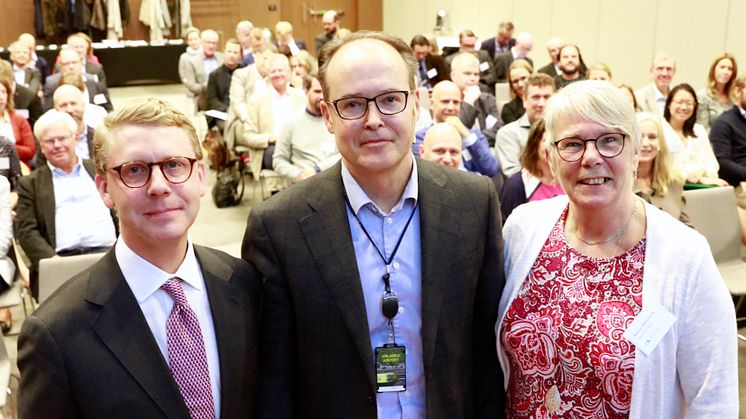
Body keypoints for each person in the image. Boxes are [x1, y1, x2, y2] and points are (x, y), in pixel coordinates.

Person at [243, 30, 504, 418]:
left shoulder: (473, 203)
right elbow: (274, 381)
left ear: (417, 104)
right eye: (351, 104)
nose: (373, 120)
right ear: (328, 116)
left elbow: (486, 354)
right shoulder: (279, 226)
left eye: (389, 100)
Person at [497, 80, 737, 417]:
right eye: (572, 144)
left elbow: (713, 400)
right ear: (550, 157)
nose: (591, 157)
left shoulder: (685, 257)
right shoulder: (522, 229)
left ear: (636, 149)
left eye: (610, 140)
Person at [18, 98, 262, 417]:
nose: (159, 186)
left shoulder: (243, 283)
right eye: (135, 170)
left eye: (174, 165)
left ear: (200, 176)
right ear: (104, 188)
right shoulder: (56, 331)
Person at [16, 110, 116, 299]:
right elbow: (27, 231)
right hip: (61, 262)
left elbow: (120, 211)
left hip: (109, 256)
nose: (57, 145)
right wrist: (54, 263)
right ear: (42, 147)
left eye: (62, 138)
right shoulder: (31, 184)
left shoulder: (99, 170)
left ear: (75, 138)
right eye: (50, 141)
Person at [413, 80, 499, 176]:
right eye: (445, 102)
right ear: (432, 104)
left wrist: (465, 134)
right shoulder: (420, 138)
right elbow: (426, 174)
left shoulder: (474, 136)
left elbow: (491, 168)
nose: (451, 107)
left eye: (456, 102)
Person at [273, 75, 339, 183]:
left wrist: (316, 169)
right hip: (303, 185)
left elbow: (344, 155)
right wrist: (300, 174)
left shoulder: (337, 121)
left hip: (333, 181)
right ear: (305, 91)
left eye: (325, 92)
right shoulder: (291, 123)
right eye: (317, 92)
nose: (322, 96)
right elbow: (278, 161)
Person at [662, 83, 726, 186]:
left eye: (689, 103)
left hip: (701, 187)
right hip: (670, 188)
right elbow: (664, 168)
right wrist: (698, 178)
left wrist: (701, 171)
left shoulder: (699, 130)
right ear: (669, 104)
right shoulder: (660, 130)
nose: (684, 107)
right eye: (679, 102)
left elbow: (713, 164)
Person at [500, 120, 563, 220]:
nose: (553, 147)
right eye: (546, 141)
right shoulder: (517, 185)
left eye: (557, 141)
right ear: (534, 144)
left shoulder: (569, 179)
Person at [497, 73, 555, 176]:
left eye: (547, 97)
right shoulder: (508, 134)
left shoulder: (565, 131)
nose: (541, 104)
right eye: (536, 97)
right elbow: (513, 174)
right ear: (524, 100)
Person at [634, 112, 688, 222]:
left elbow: (686, 227)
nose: (645, 143)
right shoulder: (618, 184)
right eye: (639, 136)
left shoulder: (674, 181)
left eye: (652, 137)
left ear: (660, 143)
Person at [450, 52, 502, 143]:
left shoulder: (488, 100)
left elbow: (498, 130)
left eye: (476, 74)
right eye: (467, 73)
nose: (473, 78)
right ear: (453, 76)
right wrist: (468, 102)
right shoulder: (447, 102)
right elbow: (454, 134)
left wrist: (472, 139)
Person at [43, 48, 113, 112]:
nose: (71, 67)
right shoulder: (52, 83)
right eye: (66, 64)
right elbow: (48, 111)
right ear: (60, 66)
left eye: (74, 62)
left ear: (81, 63)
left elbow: (108, 109)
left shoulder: (93, 80)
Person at [182, 29, 224, 113]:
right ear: (201, 42)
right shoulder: (192, 61)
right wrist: (207, 87)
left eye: (214, 43)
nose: (211, 46)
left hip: (222, 96)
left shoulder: (222, 58)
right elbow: (191, 85)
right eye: (208, 42)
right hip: (204, 96)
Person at [206, 38, 243, 131]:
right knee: (227, 127)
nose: (232, 55)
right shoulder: (214, 75)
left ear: (240, 55)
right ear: (224, 52)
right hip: (222, 112)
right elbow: (212, 99)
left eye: (235, 52)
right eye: (229, 51)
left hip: (242, 111)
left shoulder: (246, 73)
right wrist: (228, 110)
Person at [697, 53, 738, 130]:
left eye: (730, 69)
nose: (726, 72)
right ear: (714, 70)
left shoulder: (735, 98)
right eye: (722, 67)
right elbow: (702, 129)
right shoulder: (702, 96)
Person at [0, 78, 35, 167]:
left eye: (3, 92)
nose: (1, 97)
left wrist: (8, 147)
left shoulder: (19, 120)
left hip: (17, 168)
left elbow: (30, 151)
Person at [501, 59, 532, 125]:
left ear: (532, 76)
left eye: (523, 78)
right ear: (511, 85)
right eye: (515, 81)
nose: (520, 84)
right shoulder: (508, 109)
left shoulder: (546, 101)